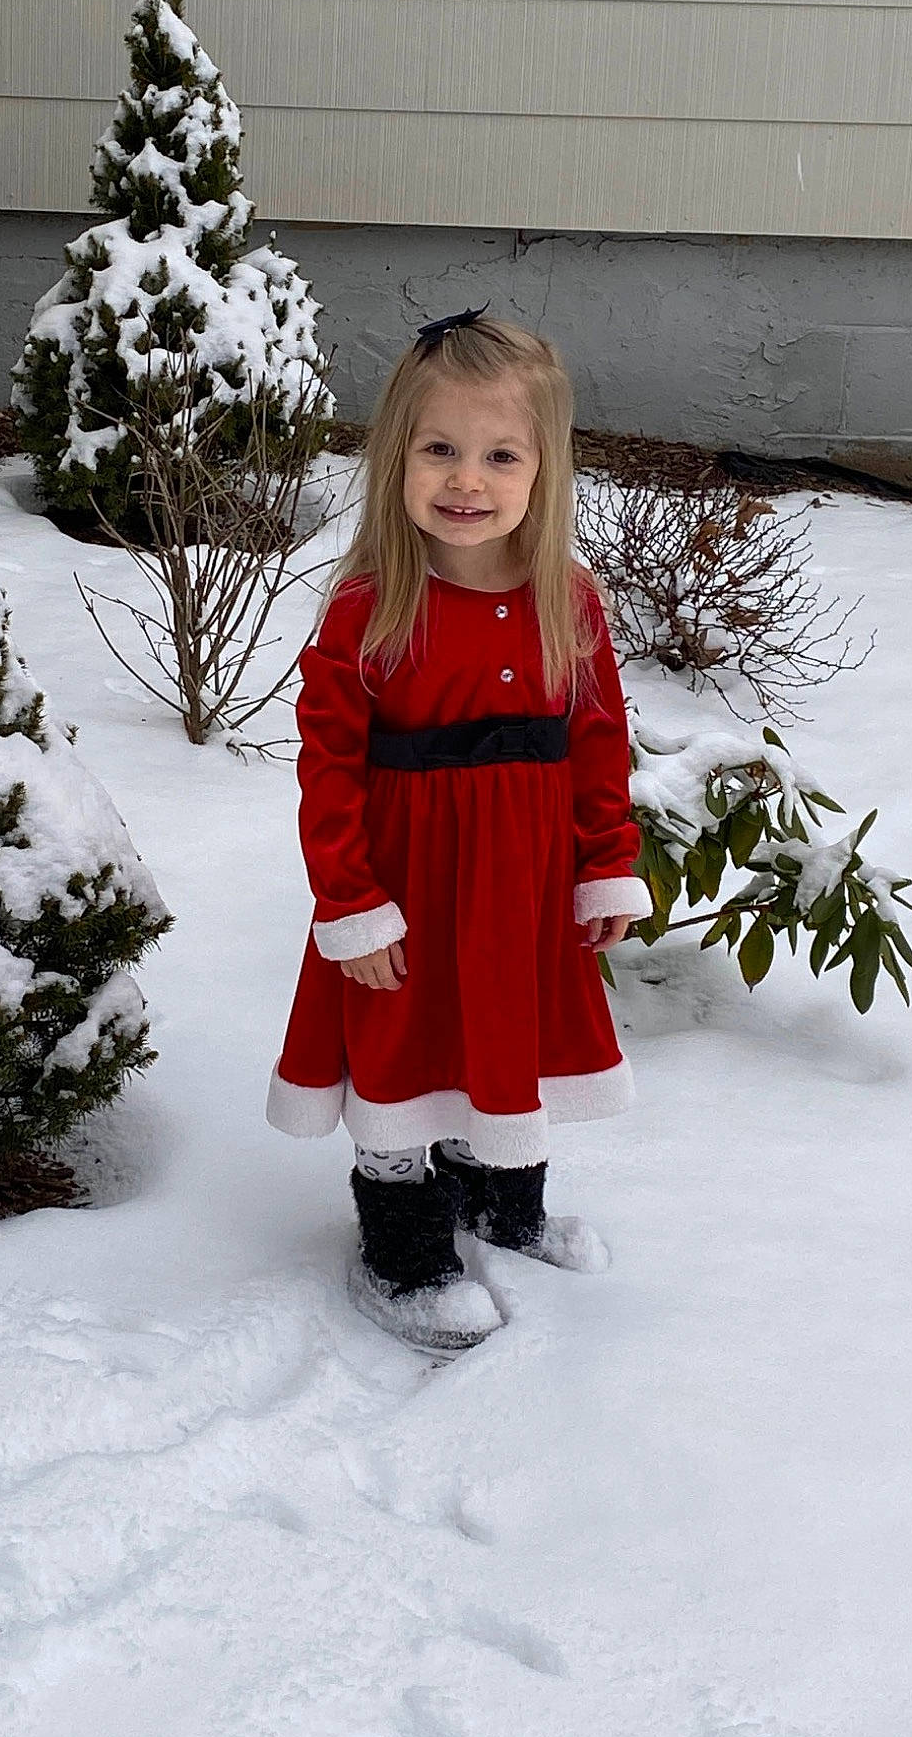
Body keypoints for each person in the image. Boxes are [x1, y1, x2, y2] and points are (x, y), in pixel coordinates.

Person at [266, 310, 651, 1354]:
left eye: (499, 454)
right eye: (438, 448)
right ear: (397, 455)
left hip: (521, 885)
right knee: (403, 1047)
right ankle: (399, 1243)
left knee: (503, 1033)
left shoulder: (568, 604)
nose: (465, 478)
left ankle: (502, 1202)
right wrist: (349, 898)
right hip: (404, 887)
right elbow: (328, 767)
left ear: (544, 469)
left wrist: (605, 863)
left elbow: (599, 739)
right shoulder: (369, 607)